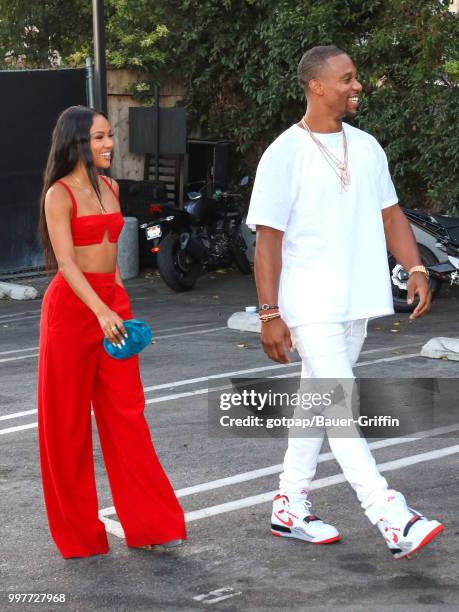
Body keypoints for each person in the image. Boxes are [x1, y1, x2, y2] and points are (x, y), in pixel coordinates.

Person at [246, 46, 444, 559]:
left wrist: (417, 267)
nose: (357, 86)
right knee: (340, 406)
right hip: (308, 301)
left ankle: (289, 503)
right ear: (316, 85)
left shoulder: (367, 146)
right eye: (347, 78)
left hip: (357, 300)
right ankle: (390, 514)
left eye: (357, 77)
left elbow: (391, 214)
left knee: (318, 402)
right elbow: (267, 241)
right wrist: (270, 313)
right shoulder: (283, 154)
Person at [37, 105, 186, 559]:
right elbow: (66, 264)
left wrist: (123, 312)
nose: (109, 144)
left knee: (127, 415)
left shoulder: (111, 187)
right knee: (66, 426)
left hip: (110, 308)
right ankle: (79, 536)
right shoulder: (58, 195)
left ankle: (153, 525)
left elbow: (112, 268)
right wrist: (101, 311)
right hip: (71, 311)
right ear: (77, 142)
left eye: (109, 137)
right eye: (99, 138)